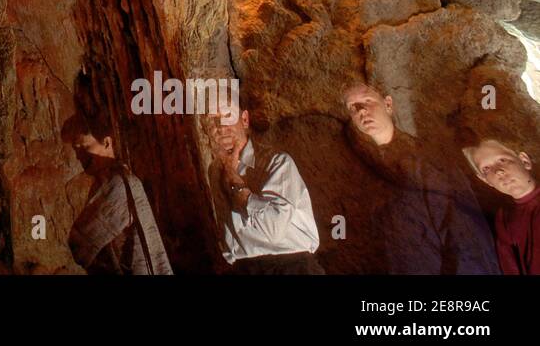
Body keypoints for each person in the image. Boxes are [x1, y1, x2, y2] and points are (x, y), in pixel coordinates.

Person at [340, 79, 498, 274]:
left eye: (367, 101)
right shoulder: (359, 169)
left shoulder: (428, 160)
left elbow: (462, 233)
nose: (362, 110)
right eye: (353, 107)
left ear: (388, 104)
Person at [203, 92, 323, 273]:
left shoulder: (277, 162)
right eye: (212, 119)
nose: (220, 126)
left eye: (227, 115)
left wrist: (232, 175)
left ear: (244, 119)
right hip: (244, 269)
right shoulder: (214, 171)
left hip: (291, 267)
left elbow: (273, 230)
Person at [62, 112, 172, 274]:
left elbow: (80, 246)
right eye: (75, 150)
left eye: (84, 147)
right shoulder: (113, 180)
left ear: (107, 143)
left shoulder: (119, 184)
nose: (79, 156)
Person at [463, 138, 540, 274]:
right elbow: (510, 266)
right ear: (486, 181)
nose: (499, 172)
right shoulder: (504, 217)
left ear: (524, 161)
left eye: (502, 160)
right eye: (486, 169)